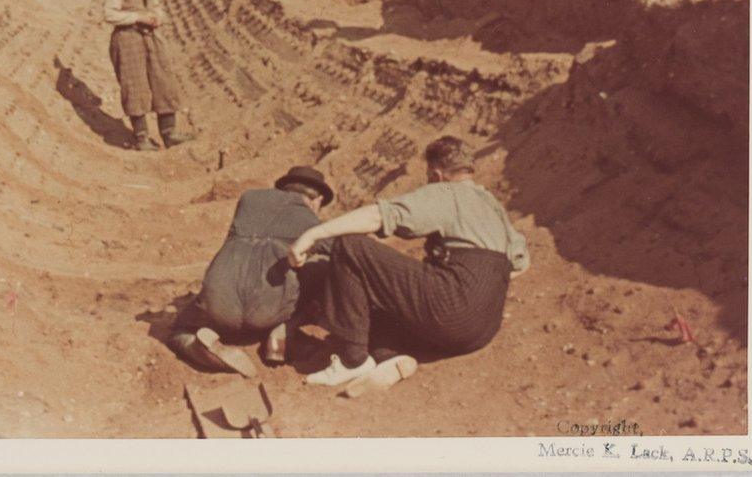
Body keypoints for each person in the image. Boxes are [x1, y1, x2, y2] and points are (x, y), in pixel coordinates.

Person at [287, 135, 530, 396]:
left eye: (428, 176)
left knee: (350, 246)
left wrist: (312, 235)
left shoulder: (446, 191)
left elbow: (377, 217)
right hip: (482, 330)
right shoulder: (491, 203)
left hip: (452, 312)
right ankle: (388, 357)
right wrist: (476, 288)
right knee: (380, 301)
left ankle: (352, 360)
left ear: (436, 174)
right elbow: (520, 263)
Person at [167, 166, 335, 377]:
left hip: (219, 303)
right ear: (316, 199)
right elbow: (345, 251)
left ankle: (196, 346)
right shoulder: (311, 221)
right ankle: (285, 328)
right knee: (322, 267)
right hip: (268, 312)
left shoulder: (249, 199)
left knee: (179, 330)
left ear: (283, 188)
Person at [104, 0, 193, 151]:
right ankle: (141, 137)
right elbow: (109, 14)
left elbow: (156, 5)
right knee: (135, 86)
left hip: (150, 36)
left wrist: (157, 17)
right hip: (127, 38)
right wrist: (137, 17)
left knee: (163, 80)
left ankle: (169, 133)